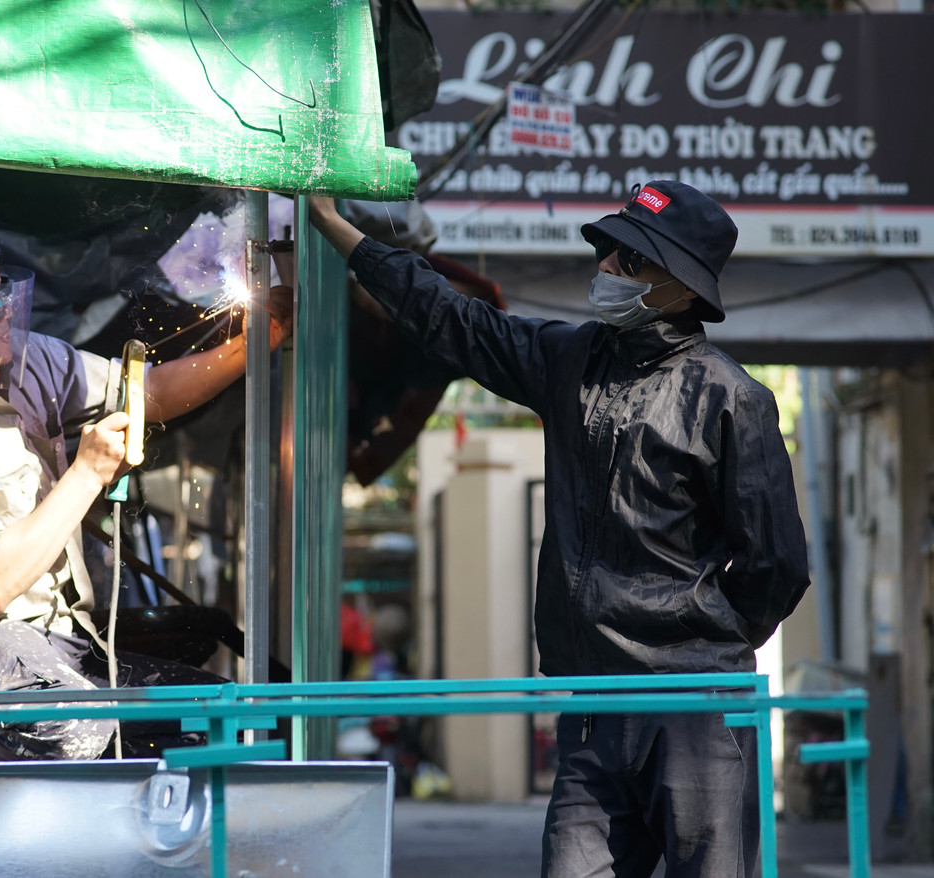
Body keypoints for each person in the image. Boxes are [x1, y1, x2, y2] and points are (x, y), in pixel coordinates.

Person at [309, 182, 809, 878]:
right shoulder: (569, 362)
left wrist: (704, 639)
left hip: (696, 706)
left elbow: (777, 567)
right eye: (608, 251)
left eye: (629, 260)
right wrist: (340, 232)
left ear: (678, 287)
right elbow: (452, 318)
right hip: (595, 705)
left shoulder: (733, 401)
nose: (605, 268)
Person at [0, 222, 291, 795]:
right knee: (68, 722)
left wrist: (255, 342)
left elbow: (150, 393)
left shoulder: (25, 362)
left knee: (225, 717)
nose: (8, 309)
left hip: (65, 646)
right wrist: (87, 472)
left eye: (5, 290)